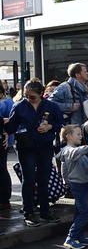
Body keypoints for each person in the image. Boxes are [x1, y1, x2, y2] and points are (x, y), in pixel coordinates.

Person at [6, 80, 65, 226]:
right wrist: (5, 124)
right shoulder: (19, 106)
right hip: (27, 146)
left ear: (41, 94)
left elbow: (62, 125)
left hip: (45, 145)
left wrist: (50, 126)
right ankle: (29, 212)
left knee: (44, 178)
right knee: (29, 179)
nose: (28, 99)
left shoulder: (51, 106)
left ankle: (45, 211)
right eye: (26, 96)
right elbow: (11, 126)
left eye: (32, 97)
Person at [56, 125, 88, 249]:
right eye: (78, 134)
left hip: (83, 184)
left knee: (79, 211)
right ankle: (71, 237)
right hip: (78, 185)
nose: (81, 136)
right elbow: (79, 152)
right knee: (85, 212)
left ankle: (79, 236)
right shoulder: (69, 150)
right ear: (68, 136)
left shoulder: (74, 149)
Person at [0, 84, 14, 211]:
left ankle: (4, 200)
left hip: (1, 142)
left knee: (2, 170)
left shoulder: (6, 103)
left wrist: (6, 133)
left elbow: (10, 123)